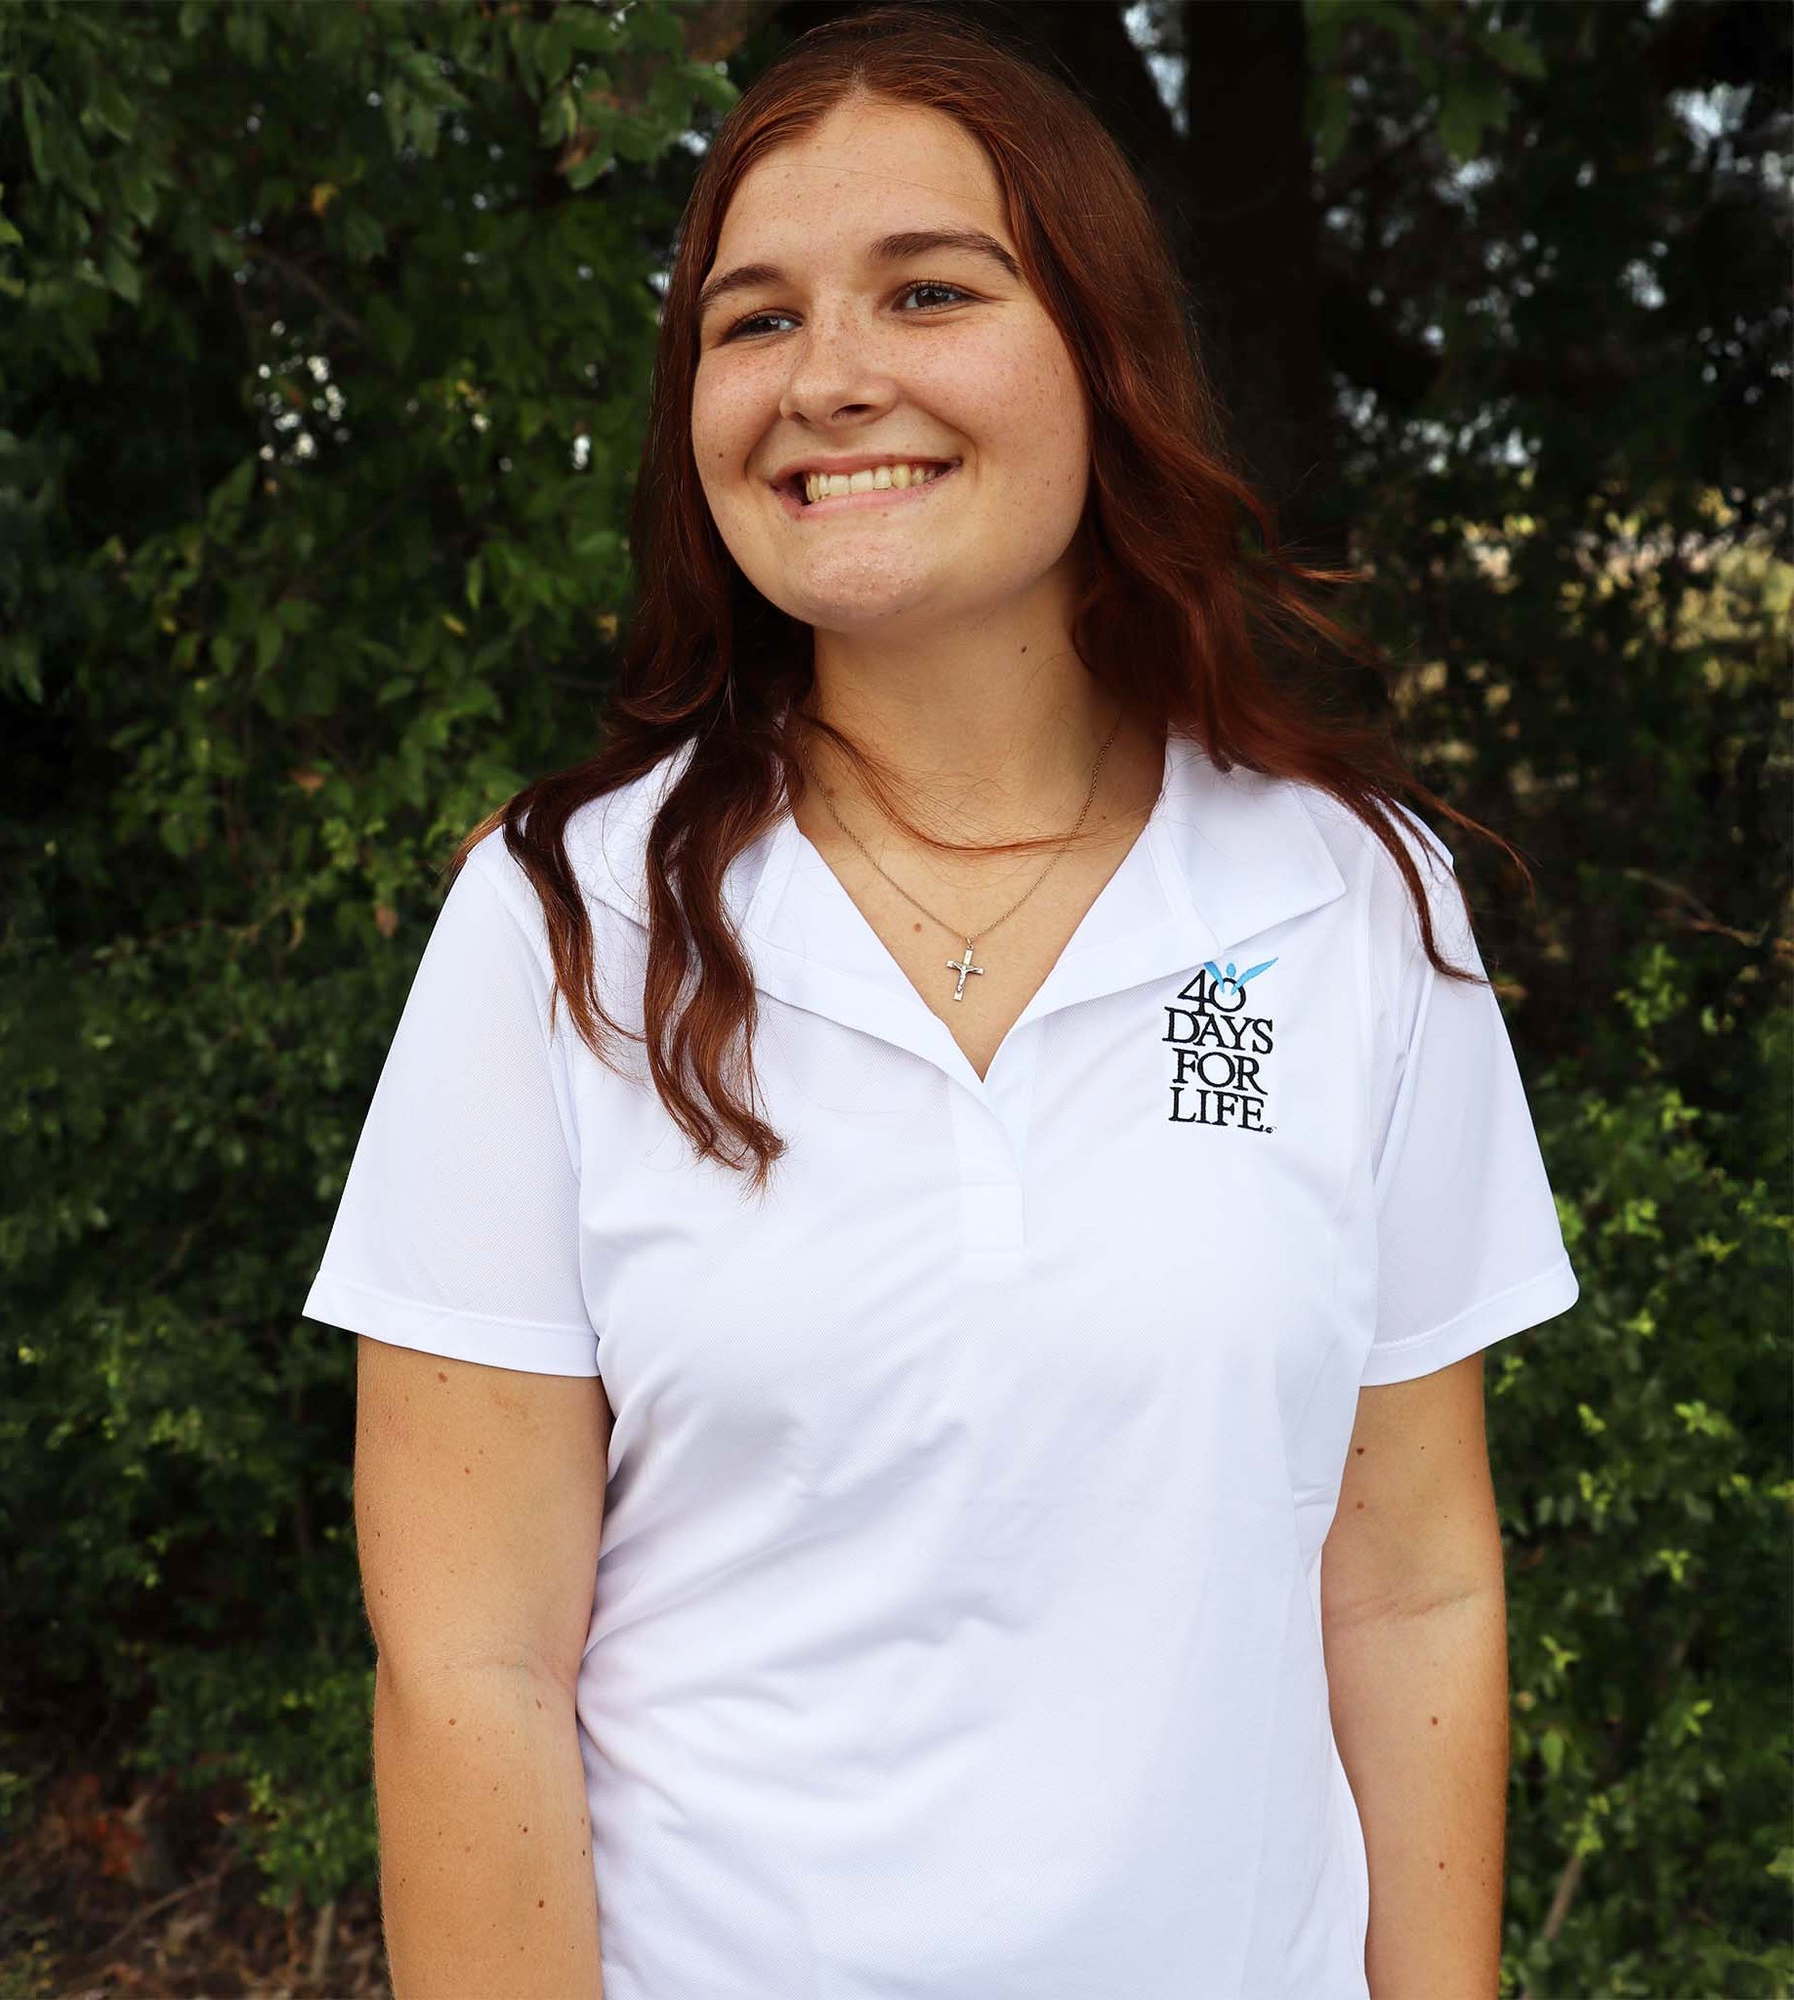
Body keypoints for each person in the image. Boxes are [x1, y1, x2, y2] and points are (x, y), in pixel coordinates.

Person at [303, 9, 1581, 1996]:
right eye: (750, 321)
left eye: (926, 290)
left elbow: (1409, 1588)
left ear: (1103, 350)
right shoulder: (560, 923)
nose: (829, 379)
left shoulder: (1345, 898)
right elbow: (470, 1665)